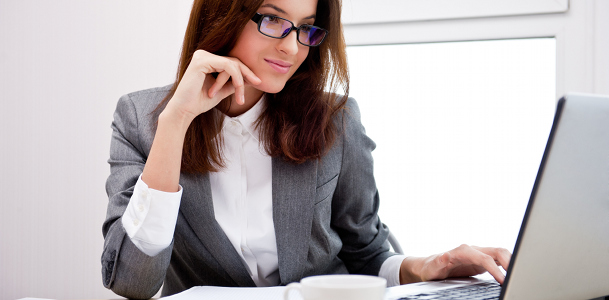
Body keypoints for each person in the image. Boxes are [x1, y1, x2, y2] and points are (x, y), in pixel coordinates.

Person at [101, 0, 512, 298]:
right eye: (273, 20)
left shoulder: (335, 119)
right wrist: (176, 123)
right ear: (221, 14)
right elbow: (132, 282)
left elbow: (366, 255)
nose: (292, 48)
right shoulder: (142, 118)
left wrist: (429, 265)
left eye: (306, 28)